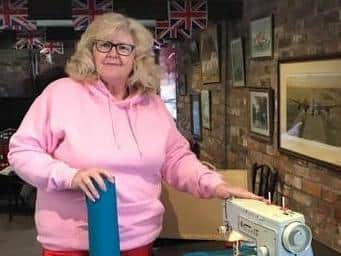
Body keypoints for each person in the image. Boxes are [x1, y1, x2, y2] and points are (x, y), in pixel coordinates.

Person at [8, 12, 263, 256]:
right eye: (104, 45)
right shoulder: (60, 94)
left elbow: (176, 159)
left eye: (123, 47)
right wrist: (69, 176)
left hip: (137, 239)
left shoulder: (152, 104)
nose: (112, 54)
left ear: (137, 57)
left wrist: (214, 185)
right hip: (71, 242)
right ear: (90, 51)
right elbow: (22, 152)